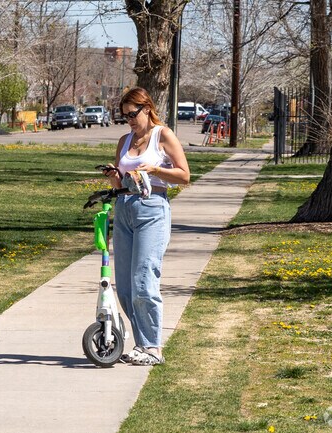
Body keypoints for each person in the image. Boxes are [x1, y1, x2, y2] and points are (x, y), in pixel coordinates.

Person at [102, 87, 190, 366]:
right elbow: (120, 181)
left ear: (147, 108)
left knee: (144, 280)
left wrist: (155, 170)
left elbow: (184, 176)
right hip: (125, 208)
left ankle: (153, 347)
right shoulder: (125, 140)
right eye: (124, 114)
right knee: (126, 286)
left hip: (152, 208)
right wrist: (114, 176)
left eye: (132, 113)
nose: (128, 119)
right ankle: (141, 346)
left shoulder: (162, 135)